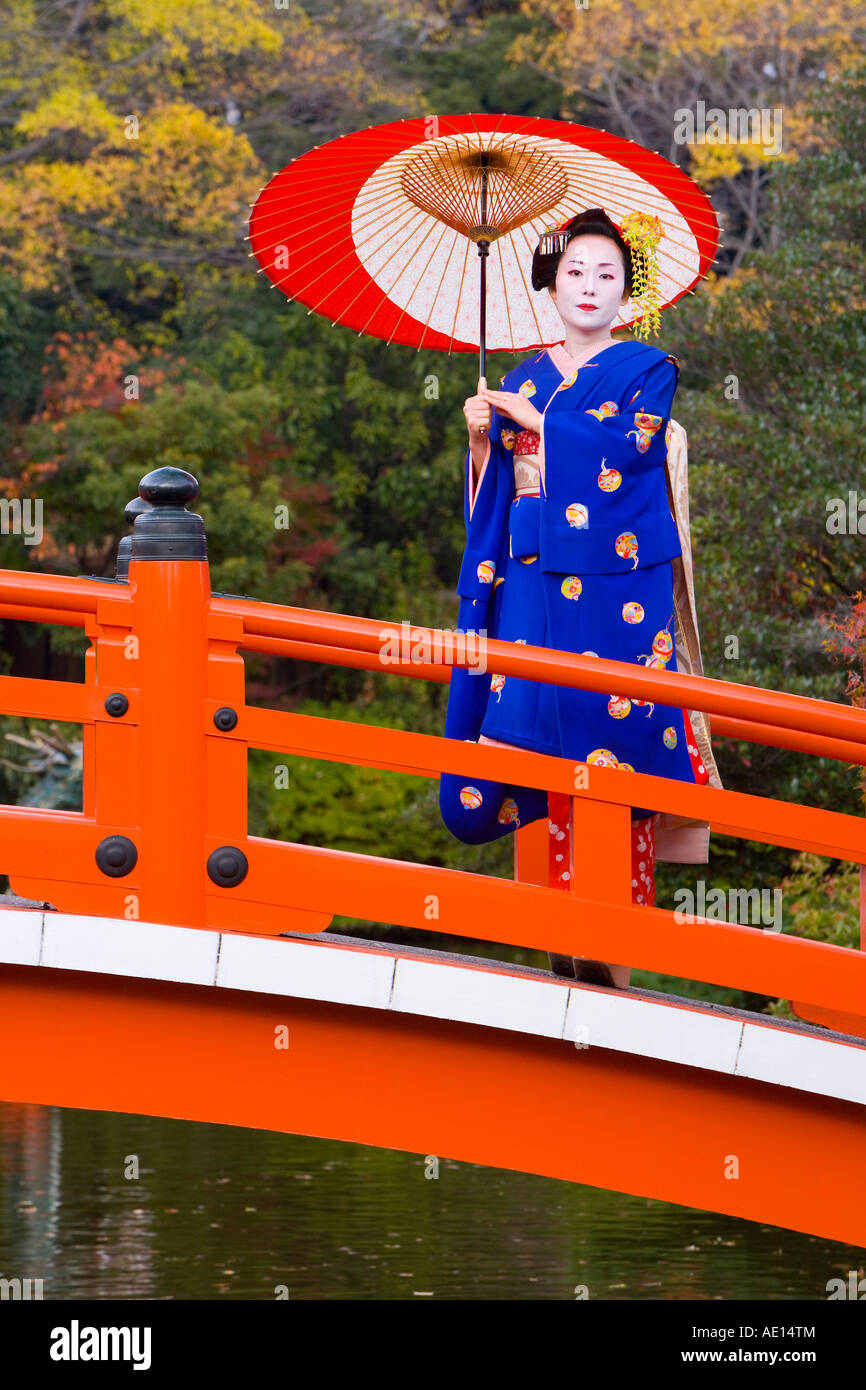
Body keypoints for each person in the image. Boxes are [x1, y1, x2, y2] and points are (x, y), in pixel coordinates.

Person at [438, 207, 722, 988]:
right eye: (574, 272)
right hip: (531, 580)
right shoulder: (523, 373)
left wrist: (542, 424)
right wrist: (479, 441)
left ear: (626, 294)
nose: (590, 286)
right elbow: (493, 504)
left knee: (613, 753)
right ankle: (558, 955)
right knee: (537, 746)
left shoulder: (647, 368)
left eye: (606, 275)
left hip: (616, 588)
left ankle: (613, 962)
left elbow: (633, 452)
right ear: (550, 286)